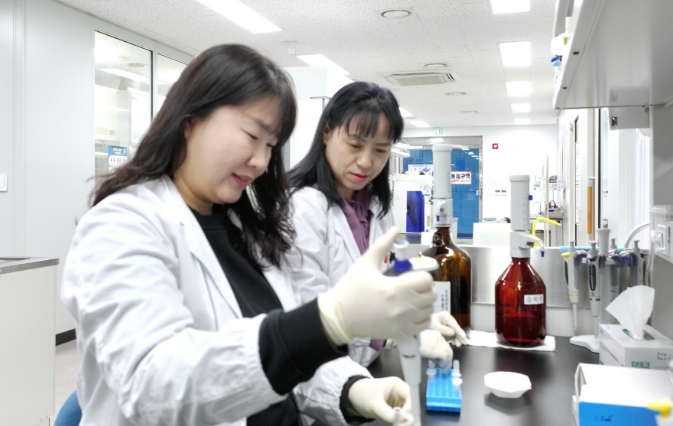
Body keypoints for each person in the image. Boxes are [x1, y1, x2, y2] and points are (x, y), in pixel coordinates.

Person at [60, 44, 437, 426]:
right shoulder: (121, 225)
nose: (261, 161)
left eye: (270, 145)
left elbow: (283, 358)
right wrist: (327, 321)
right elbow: (154, 384)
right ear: (190, 120)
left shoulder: (246, 231)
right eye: (251, 136)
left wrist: (352, 389)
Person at [288, 81, 468, 367]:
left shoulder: (377, 207)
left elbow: (382, 291)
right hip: (322, 372)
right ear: (326, 133)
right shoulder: (302, 208)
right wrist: (394, 333)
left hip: (367, 366)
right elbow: (311, 314)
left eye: (381, 150)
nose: (366, 162)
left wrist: (418, 320)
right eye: (355, 145)